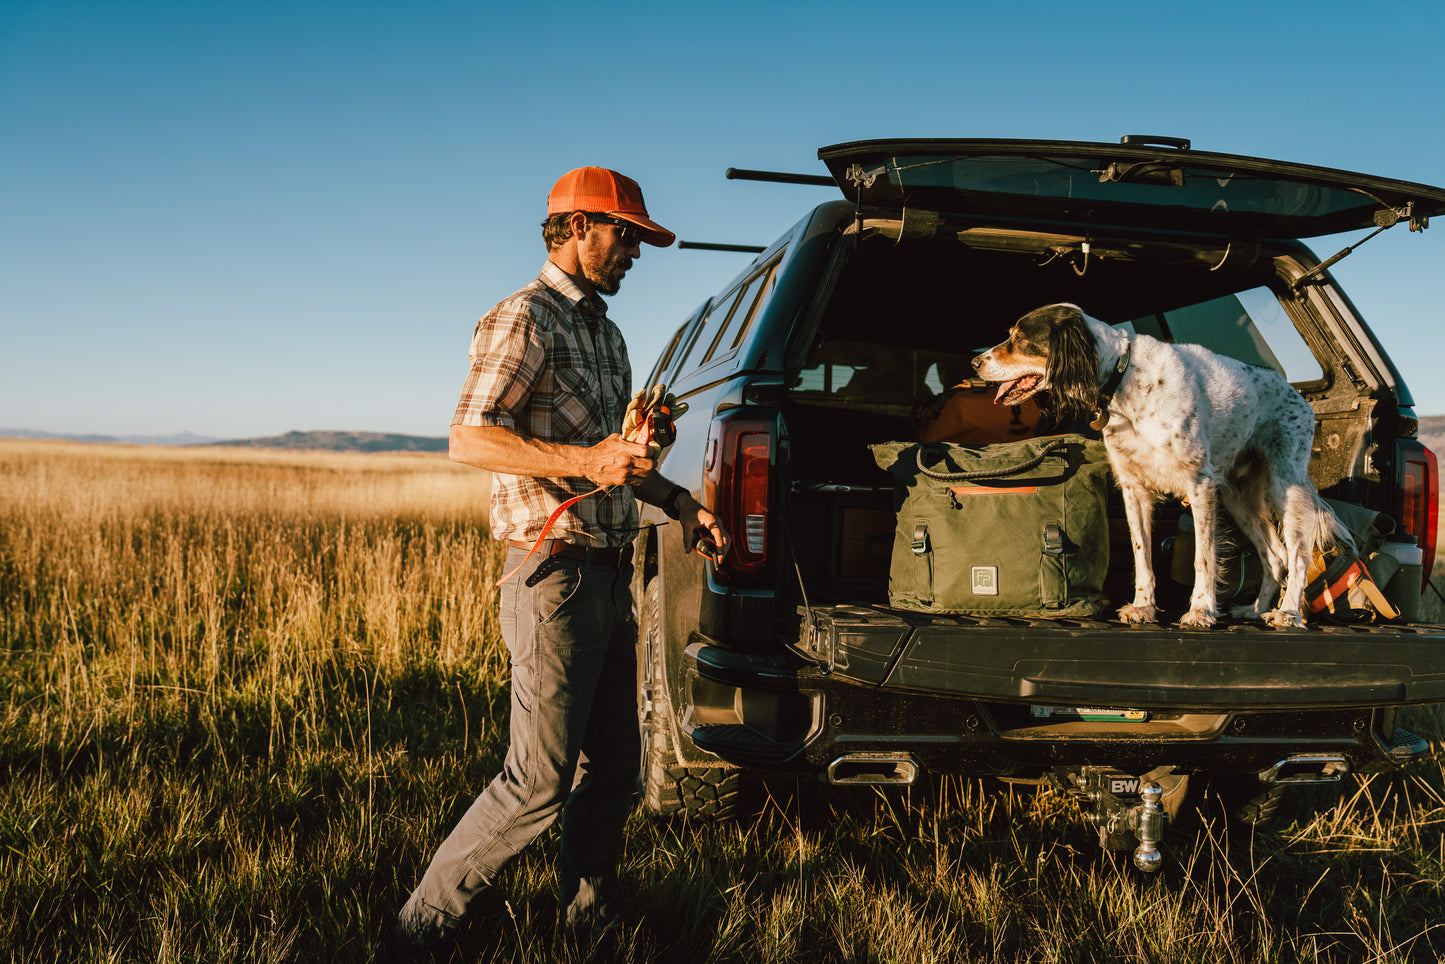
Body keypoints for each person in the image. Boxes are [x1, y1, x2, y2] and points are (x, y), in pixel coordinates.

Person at [393, 167, 731, 959]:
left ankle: (587, 925)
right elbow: (468, 435)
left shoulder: (606, 334)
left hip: (612, 573)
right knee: (537, 782)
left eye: (642, 238)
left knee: (614, 766)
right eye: (626, 234)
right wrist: (585, 459)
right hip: (554, 573)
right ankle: (418, 931)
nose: (637, 252)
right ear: (576, 227)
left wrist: (680, 502)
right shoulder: (524, 317)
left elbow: (614, 462)